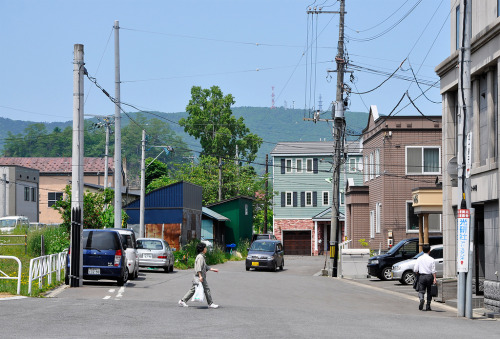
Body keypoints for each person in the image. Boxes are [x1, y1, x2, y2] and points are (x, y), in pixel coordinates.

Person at [178, 242, 219, 309]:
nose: (206, 249)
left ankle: (182, 300)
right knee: (206, 289)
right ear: (202, 249)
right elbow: (198, 267)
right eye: (205, 248)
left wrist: (213, 269)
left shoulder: (201, 256)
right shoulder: (200, 257)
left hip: (199, 276)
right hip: (199, 277)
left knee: (193, 290)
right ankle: (210, 303)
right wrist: (200, 276)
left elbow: (205, 267)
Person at [413, 244, 436, 311]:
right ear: (429, 251)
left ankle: (421, 299)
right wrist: (434, 278)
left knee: (421, 291)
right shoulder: (432, 259)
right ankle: (428, 306)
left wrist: (418, 273)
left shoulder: (419, 258)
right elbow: (433, 270)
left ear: (423, 250)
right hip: (429, 276)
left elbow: (415, 269)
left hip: (422, 276)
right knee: (429, 291)